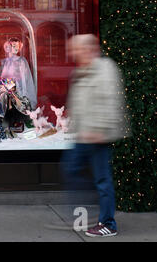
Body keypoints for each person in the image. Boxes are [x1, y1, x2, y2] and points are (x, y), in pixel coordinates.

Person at [62, 34, 128, 237]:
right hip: (83, 134)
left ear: (88, 48)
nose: (73, 53)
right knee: (72, 169)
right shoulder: (82, 69)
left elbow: (110, 101)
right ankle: (88, 213)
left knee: (102, 179)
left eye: (77, 49)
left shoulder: (104, 68)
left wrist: (101, 128)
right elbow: (79, 98)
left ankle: (108, 223)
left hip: (97, 134)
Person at [0, 37, 36, 139]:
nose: (14, 49)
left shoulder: (21, 61)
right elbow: (3, 76)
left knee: (3, 89)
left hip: (16, 90)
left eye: (16, 46)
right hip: (7, 89)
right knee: (1, 91)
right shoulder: (7, 62)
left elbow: (23, 80)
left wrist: (23, 94)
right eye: (12, 46)